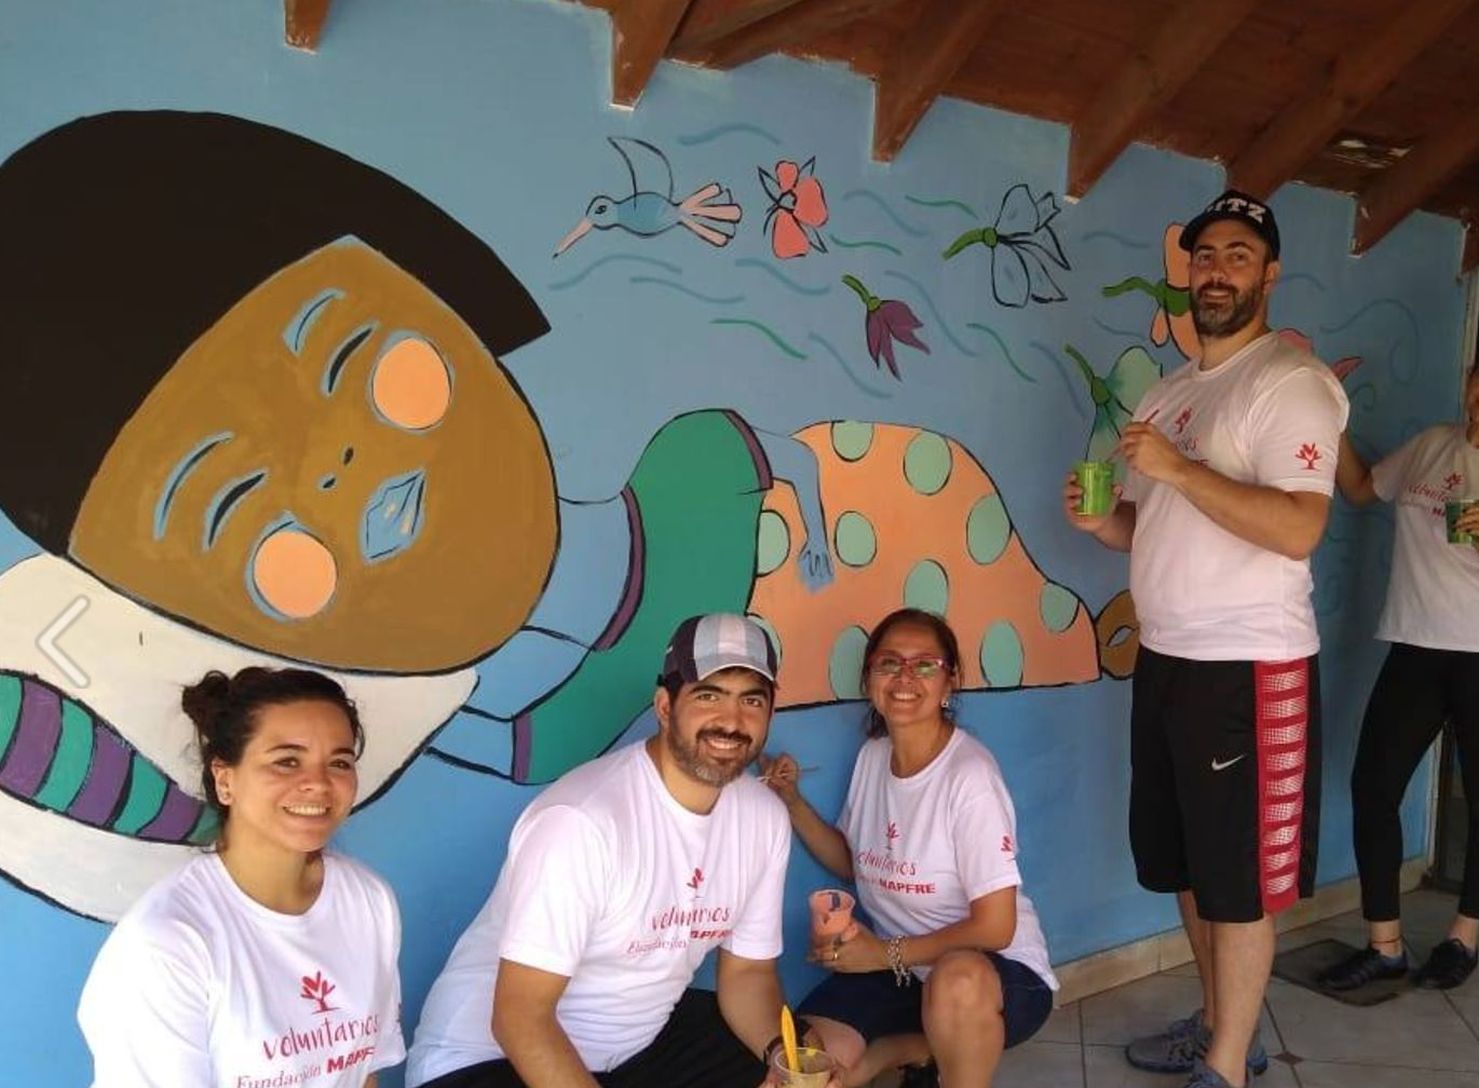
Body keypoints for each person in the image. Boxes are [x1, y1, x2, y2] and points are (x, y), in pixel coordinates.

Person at [1063, 190, 1348, 1088]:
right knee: (1186, 862)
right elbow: (1156, 525)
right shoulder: (1173, 388)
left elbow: (1300, 527)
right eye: (1204, 254)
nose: (1216, 269)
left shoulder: (1291, 384)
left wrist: (1178, 468)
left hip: (1250, 665)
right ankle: (1227, 1025)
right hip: (1169, 659)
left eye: (1237, 253)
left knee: (1239, 880)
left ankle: (1225, 1070)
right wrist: (1107, 523)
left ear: (1268, 273)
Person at [407, 613, 832, 1088]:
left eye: (751, 700)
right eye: (709, 695)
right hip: (487, 1058)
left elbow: (748, 975)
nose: (731, 722)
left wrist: (782, 1056)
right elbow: (520, 1018)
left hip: (634, 1049)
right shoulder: (582, 822)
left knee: (799, 1064)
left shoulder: (763, 818)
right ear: (665, 705)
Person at [1318, 329, 1479, 992]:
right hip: (1416, 647)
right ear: (1470, 376)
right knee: (1373, 789)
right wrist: (1329, 415)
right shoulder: (1433, 445)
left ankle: (1464, 938)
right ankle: (1385, 943)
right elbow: (1360, 490)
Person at [761, 608, 1057, 1088]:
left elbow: (996, 927)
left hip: (996, 979)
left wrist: (884, 954)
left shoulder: (970, 778)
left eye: (925, 665)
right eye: (888, 663)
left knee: (955, 981)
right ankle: (910, 1052)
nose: (904, 677)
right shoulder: (874, 756)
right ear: (869, 677)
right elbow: (852, 863)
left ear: (950, 682)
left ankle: (942, 1065)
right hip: (903, 971)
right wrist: (792, 802)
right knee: (813, 1064)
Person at [77, 667, 404, 1087]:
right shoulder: (168, 942)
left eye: (339, 762)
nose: (319, 783)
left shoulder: (367, 900)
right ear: (225, 779)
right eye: (287, 761)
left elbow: (361, 1075)